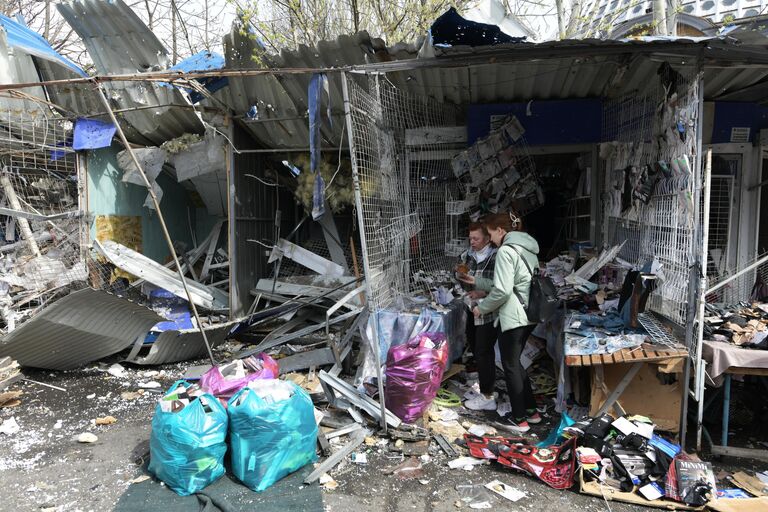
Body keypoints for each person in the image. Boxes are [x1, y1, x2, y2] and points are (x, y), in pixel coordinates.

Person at [460, 211, 541, 433]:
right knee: (516, 364)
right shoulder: (526, 247)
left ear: (501, 230)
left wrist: (481, 309)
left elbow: (503, 291)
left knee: (510, 366)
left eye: (491, 233)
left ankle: (519, 419)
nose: (491, 238)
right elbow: (507, 282)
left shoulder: (505, 250)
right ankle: (531, 412)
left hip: (513, 315)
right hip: (527, 311)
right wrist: (477, 280)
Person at [456, 222, 498, 411]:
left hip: (489, 311)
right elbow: (459, 276)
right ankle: (484, 385)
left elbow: (501, 284)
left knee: (484, 351)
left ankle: (488, 395)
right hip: (471, 307)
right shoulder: (467, 255)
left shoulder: (497, 256)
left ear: (487, 239)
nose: (472, 242)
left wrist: (481, 292)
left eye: (476, 238)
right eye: (470, 238)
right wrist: (459, 275)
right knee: (474, 346)